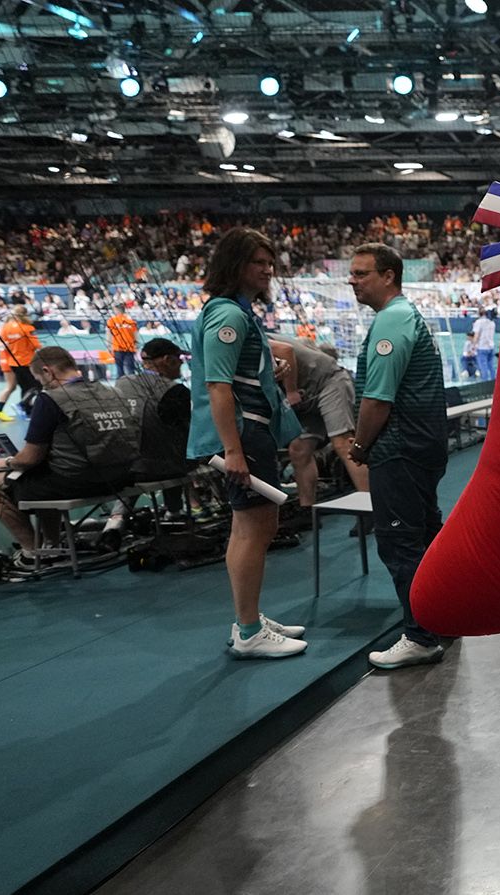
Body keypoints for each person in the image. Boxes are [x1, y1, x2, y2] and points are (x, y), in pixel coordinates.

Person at [187, 228, 308, 660]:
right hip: (244, 434)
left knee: (256, 527)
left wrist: (266, 372)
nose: (267, 270)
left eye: (269, 262)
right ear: (235, 265)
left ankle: (248, 618)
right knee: (253, 529)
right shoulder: (228, 315)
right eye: (258, 262)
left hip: (251, 432)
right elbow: (218, 386)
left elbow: (235, 377)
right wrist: (234, 450)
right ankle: (249, 630)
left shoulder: (238, 312)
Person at [346, 243, 451, 669]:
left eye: (361, 273)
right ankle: (442, 619)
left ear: (388, 275)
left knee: (400, 543)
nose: (352, 281)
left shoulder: (392, 319)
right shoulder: (405, 316)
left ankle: (420, 635)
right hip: (421, 447)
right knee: (425, 537)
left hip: (399, 450)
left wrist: (359, 446)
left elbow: (377, 399)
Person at [0, 347, 139, 565]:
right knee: (46, 471)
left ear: (47, 371)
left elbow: (30, 458)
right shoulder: (113, 392)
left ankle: (31, 553)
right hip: (121, 478)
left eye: (39, 379)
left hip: (79, 482)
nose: (41, 385)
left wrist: (7, 462)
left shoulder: (50, 399)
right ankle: (51, 545)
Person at [270, 334, 371, 507]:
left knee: (342, 443)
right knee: (299, 450)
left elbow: (286, 350)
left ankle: (371, 505)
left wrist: (291, 391)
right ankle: (307, 509)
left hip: (329, 381)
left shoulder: (250, 335)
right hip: (305, 396)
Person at [115, 337, 194, 513]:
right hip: (162, 467)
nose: (181, 364)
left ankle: (117, 518)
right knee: (179, 451)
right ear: (168, 360)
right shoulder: (176, 391)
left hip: (124, 467)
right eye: (179, 359)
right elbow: (187, 434)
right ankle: (176, 511)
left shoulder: (122, 382)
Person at [0, 305, 43, 421]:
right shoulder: (27, 327)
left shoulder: (6, 327)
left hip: (13, 362)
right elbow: (36, 345)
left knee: (25, 387)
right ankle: (22, 405)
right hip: (27, 361)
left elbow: (1, 341)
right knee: (37, 386)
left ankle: (27, 412)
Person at [106, 304, 140, 379]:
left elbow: (109, 334)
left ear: (116, 310)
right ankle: (134, 384)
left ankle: (120, 384)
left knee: (120, 370)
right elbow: (136, 335)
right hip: (130, 348)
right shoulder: (131, 321)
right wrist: (136, 346)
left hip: (118, 347)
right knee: (131, 370)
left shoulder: (112, 321)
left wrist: (108, 345)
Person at [473, 307, 498, 380]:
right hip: (491, 347)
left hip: (482, 347)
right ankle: (493, 381)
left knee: (483, 367)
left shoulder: (479, 322)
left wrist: (473, 345)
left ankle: (484, 381)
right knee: (491, 367)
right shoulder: (492, 323)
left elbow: (477, 335)